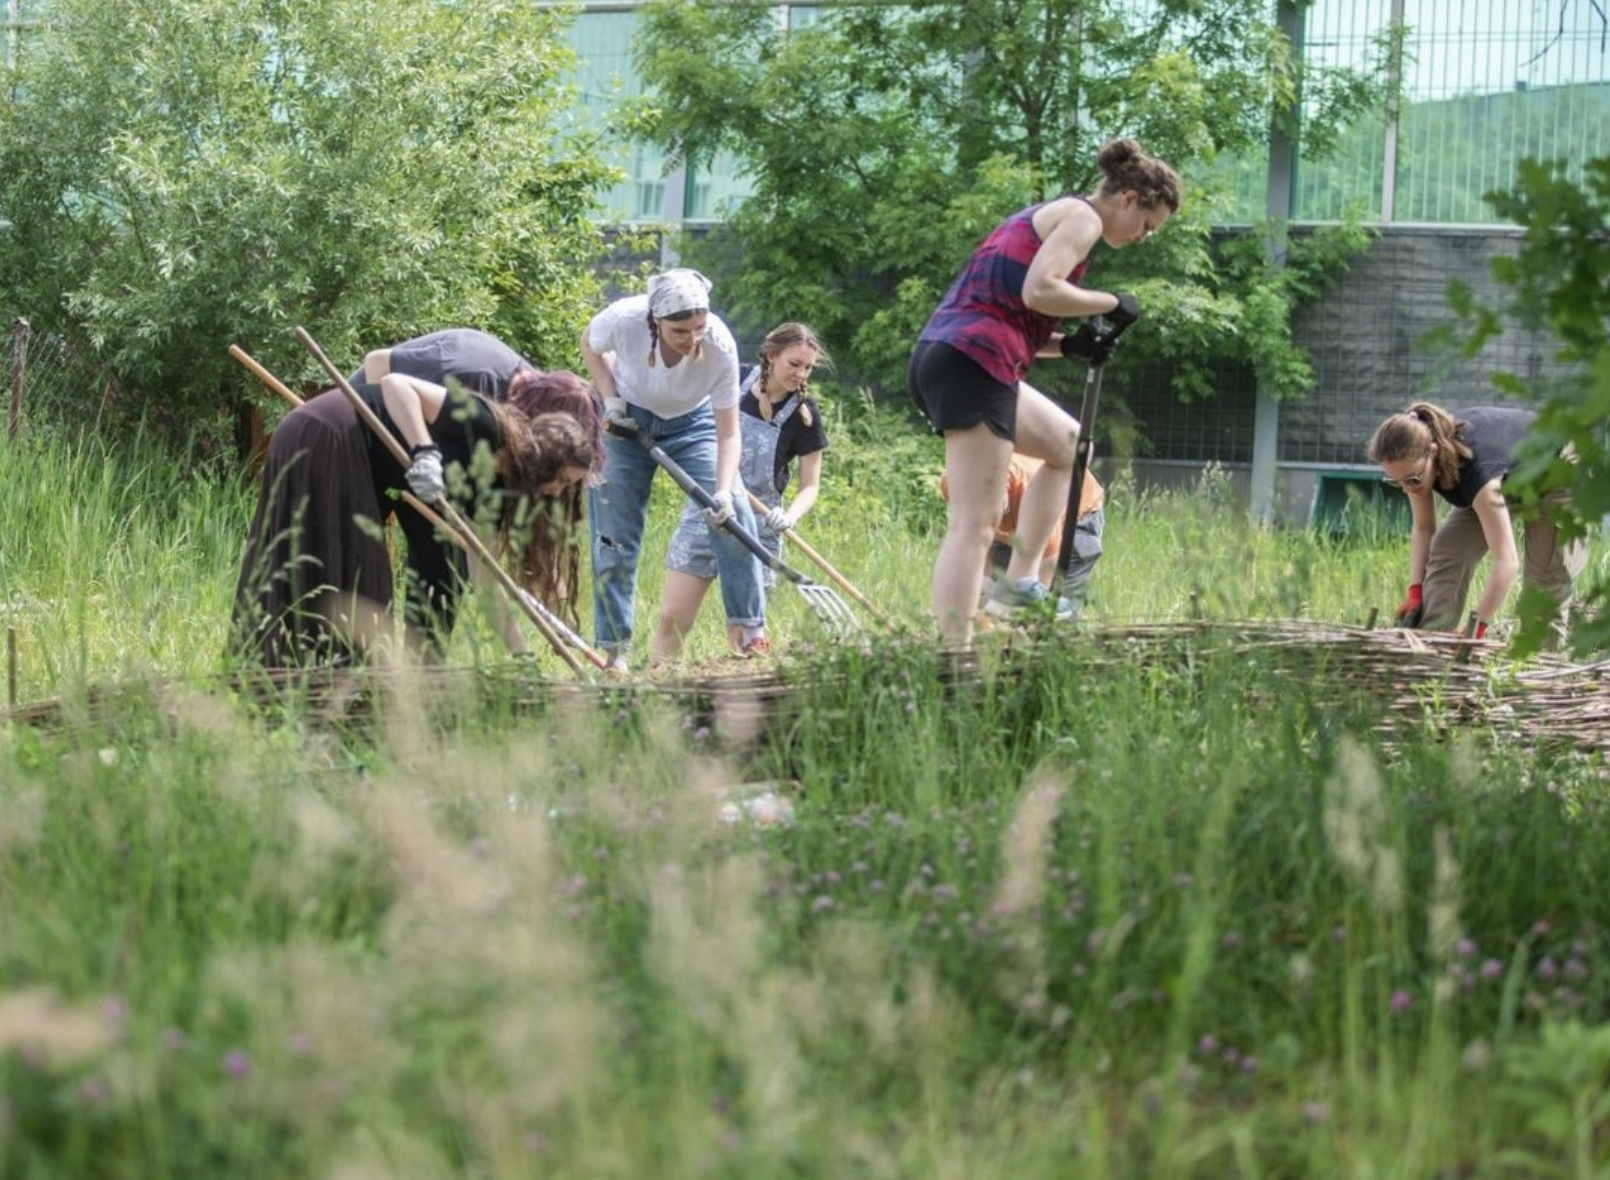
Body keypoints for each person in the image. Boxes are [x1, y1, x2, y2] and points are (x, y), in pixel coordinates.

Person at [908, 137, 1179, 648]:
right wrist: (1111, 301)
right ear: (1127, 199)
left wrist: (1071, 345)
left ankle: (1018, 583)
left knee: (1072, 446)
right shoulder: (1083, 219)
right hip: (971, 360)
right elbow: (1040, 290)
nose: (1144, 237)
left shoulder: (1056, 217)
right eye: (1147, 225)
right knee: (975, 523)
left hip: (966, 355)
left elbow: (1015, 310)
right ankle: (955, 654)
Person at [231, 359, 598, 668]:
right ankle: (299, 678)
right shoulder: (486, 422)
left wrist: (524, 658)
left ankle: (413, 677)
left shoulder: (492, 492)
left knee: (442, 566)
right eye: (563, 481)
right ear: (544, 461)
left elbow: (484, 580)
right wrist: (425, 452)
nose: (558, 493)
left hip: (350, 457)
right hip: (330, 435)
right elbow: (396, 384)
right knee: (347, 573)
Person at [581, 268, 766, 670]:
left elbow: (728, 433)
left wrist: (720, 491)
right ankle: (614, 652)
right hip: (625, 421)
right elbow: (589, 344)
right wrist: (609, 399)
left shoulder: (719, 346)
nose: (692, 339)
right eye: (680, 332)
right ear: (656, 322)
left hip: (693, 424)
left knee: (733, 511)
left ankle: (749, 633)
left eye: (698, 328)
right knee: (613, 538)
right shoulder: (625, 318)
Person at [654, 322, 832, 662]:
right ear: (770, 356)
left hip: (759, 526)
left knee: (743, 633)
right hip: (709, 507)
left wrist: (790, 516)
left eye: (808, 367)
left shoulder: (805, 416)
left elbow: (810, 486)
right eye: (794, 364)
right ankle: (654, 689)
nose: (801, 374)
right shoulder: (733, 382)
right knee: (671, 619)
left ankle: (745, 705)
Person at [1367, 401, 1587, 642]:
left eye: (1412, 480)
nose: (1408, 488)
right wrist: (1415, 591)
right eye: (1397, 482)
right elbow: (1424, 528)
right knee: (1448, 551)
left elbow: (1507, 562)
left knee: (1544, 581)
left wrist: (1477, 628)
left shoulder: (1478, 473)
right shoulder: (1414, 465)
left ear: (1432, 452)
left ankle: (1535, 663)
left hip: (1558, 470)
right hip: (1508, 473)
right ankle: (1429, 645)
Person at [940, 450, 1106, 621]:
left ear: (1003, 493)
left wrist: (1035, 608)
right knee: (1000, 602)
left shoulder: (1033, 494)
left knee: (1055, 610)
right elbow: (976, 534)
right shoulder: (952, 483)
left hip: (1076, 516)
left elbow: (1045, 566)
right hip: (1014, 518)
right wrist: (985, 581)